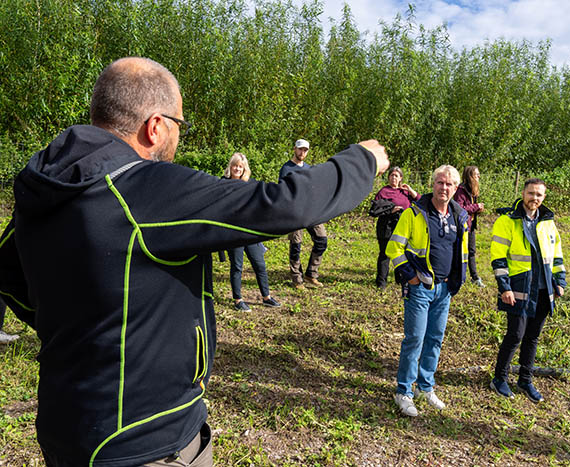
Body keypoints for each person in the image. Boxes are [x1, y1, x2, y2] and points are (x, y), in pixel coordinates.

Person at [0, 57, 389, 466]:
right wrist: (361, 161)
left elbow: (7, 272)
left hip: (67, 425)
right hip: (145, 438)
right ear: (155, 126)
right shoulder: (144, 188)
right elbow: (281, 205)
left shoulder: (46, 184)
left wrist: (75, 328)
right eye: (178, 125)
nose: (178, 137)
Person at [386, 165, 469, 417]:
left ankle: (425, 387)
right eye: (440, 183)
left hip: (445, 289)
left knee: (435, 339)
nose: (444, 188)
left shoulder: (460, 216)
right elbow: (394, 248)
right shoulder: (414, 214)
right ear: (433, 184)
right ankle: (404, 392)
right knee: (415, 339)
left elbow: (463, 253)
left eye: (449, 184)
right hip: (420, 287)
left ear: (456, 188)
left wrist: (458, 281)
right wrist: (409, 276)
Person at [489, 178, 566, 403]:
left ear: (544, 198)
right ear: (523, 193)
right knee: (515, 335)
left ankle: (525, 379)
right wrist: (505, 287)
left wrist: (560, 281)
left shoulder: (548, 222)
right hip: (519, 287)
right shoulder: (507, 221)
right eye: (531, 193)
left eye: (539, 195)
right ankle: (499, 378)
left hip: (544, 289)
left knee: (533, 337)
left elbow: (557, 255)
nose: (534, 198)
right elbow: (498, 257)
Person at [222, 152, 281, 311]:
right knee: (237, 266)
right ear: (231, 166)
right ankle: (238, 300)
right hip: (233, 232)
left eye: (241, 166)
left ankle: (266, 297)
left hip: (249, 231)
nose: (238, 169)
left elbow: (261, 200)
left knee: (259, 264)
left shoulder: (250, 183)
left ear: (244, 168)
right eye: (235, 165)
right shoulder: (222, 183)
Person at [278, 139, 327, 289]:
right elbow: (282, 191)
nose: (302, 153)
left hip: (311, 211)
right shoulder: (286, 169)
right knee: (296, 245)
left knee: (321, 240)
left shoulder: (308, 168)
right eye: (300, 149)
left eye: (305, 150)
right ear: (294, 149)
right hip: (294, 212)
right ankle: (296, 279)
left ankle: (311, 274)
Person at [369, 167, 419, 289]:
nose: (394, 178)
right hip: (386, 226)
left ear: (401, 178)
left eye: (396, 176)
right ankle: (381, 282)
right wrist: (391, 210)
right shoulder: (383, 191)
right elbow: (375, 209)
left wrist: (410, 190)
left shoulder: (405, 192)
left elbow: (420, 201)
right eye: (392, 175)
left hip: (402, 227)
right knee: (385, 254)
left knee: (401, 253)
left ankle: (400, 278)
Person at [453, 165, 485, 287]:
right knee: (458, 252)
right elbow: (459, 208)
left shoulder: (472, 190)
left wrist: (478, 210)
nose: (479, 176)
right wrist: (476, 207)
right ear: (470, 176)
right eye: (476, 174)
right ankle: (458, 277)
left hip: (470, 226)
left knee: (471, 251)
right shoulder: (460, 190)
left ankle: (475, 277)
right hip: (461, 227)